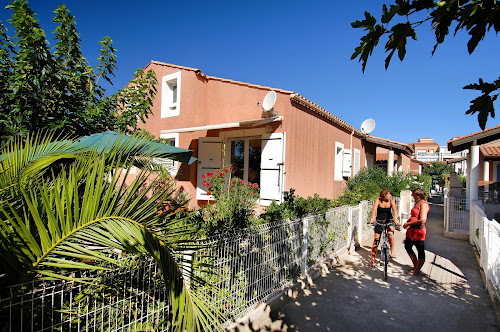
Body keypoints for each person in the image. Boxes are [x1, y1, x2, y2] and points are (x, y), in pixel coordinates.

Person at [369, 189, 400, 267]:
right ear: (384, 195)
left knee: (390, 234)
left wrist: (396, 218)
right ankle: (372, 259)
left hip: (389, 220)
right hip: (379, 221)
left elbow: (395, 210)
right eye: (388, 195)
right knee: (376, 239)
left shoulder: (391, 201)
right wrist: (372, 218)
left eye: (390, 194)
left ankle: (392, 251)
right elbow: (374, 210)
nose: (390, 196)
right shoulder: (378, 201)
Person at [403, 188, 430, 275]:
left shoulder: (423, 204)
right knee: (408, 246)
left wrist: (409, 223)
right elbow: (414, 216)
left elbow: (422, 220)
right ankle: (415, 265)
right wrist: (408, 222)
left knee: (420, 249)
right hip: (412, 229)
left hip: (418, 230)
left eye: (414, 194)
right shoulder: (417, 203)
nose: (412, 196)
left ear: (418, 196)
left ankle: (418, 269)